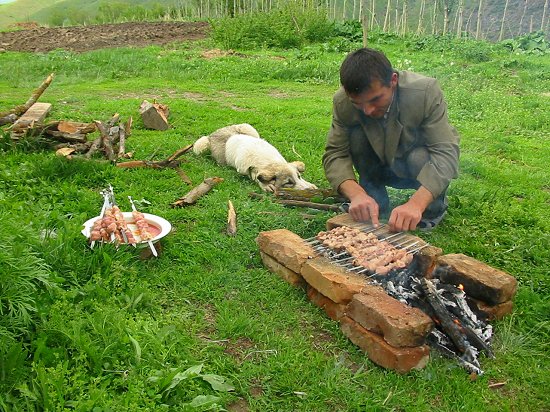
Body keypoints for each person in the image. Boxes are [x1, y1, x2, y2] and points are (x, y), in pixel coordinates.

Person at [323, 48, 460, 232]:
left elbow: (446, 154)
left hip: (414, 166)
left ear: (393, 81)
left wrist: (416, 204)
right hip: (379, 164)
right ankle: (372, 201)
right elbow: (335, 153)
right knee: (357, 138)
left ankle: (431, 209)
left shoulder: (424, 92)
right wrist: (355, 194)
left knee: (420, 157)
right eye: (358, 103)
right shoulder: (343, 102)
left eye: (375, 99)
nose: (368, 110)